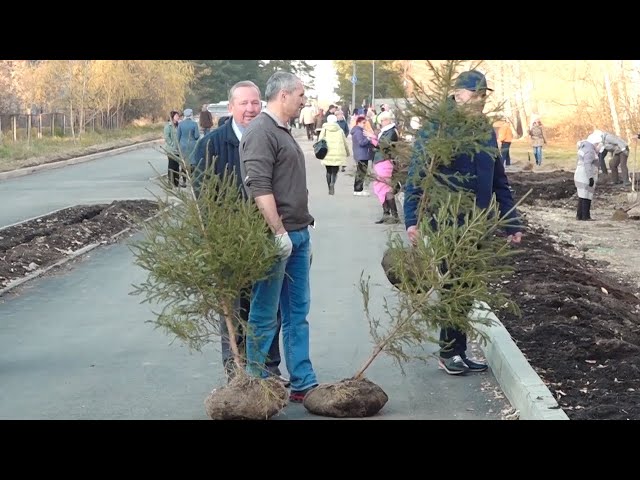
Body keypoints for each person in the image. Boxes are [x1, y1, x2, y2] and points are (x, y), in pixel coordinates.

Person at [403, 70, 523, 375]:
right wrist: (412, 219)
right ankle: (449, 353)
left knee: (467, 288)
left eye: (484, 94)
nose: (481, 100)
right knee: (453, 284)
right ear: (457, 93)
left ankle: (458, 350)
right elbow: (419, 175)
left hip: (477, 222)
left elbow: (499, 178)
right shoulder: (438, 128)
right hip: (445, 221)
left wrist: (511, 221)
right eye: (475, 93)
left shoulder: (484, 129)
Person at [192, 81, 286, 384]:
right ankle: (236, 370)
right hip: (229, 242)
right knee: (233, 308)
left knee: (269, 306)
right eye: (244, 103)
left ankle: (269, 369)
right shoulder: (212, 144)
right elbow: (202, 193)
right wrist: (214, 237)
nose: (250, 109)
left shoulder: (272, 137)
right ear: (230, 107)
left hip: (266, 238)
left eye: (255, 103)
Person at [240, 71, 319, 403]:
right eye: (301, 95)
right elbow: (258, 186)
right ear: (284, 96)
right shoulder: (260, 131)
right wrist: (279, 231)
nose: (304, 101)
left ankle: (303, 381)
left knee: (297, 312)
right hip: (275, 238)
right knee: (264, 311)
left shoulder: (282, 131)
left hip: (298, 235)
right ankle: (256, 382)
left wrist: (302, 227)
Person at [371, 111, 400, 223]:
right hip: (381, 160)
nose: (381, 123)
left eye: (383, 120)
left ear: (388, 120)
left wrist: (373, 138)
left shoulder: (391, 131)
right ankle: (387, 213)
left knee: (385, 187)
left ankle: (393, 215)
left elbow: (384, 145)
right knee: (380, 187)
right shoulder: (386, 131)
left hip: (385, 161)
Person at [317, 114, 350, 195]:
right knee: (335, 171)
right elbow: (345, 142)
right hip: (337, 153)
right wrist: (347, 152)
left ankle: (329, 186)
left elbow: (319, 140)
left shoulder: (324, 129)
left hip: (326, 153)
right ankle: (332, 183)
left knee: (328, 171)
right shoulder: (340, 130)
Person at [575, 133, 603, 221]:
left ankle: (579, 215)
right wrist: (590, 177)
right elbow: (587, 164)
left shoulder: (584, 147)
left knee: (582, 195)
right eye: (598, 144)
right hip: (585, 174)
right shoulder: (590, 151)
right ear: (595, 143)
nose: (599, 146)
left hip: (580, 173)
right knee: (586, 196)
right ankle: (585, 216)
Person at [350, 115, 375, 196]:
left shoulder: (359, 131)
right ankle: (358, 189)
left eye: (365, 123)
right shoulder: (358, 132)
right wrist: (368, 138)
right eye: (363, 123)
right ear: (358, 123)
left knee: (361, 172)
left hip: (362, 154)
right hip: (362, 154)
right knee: (361, 172)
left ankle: (358, 189)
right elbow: (361, 142)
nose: (365, 124)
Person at [176, 108, 200, 175]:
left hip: (183, 145)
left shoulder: (180, 124)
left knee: (184, 162)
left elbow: (178, 136)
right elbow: (196, 136)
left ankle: (184, 180)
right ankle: (192, 178)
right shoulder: (194, 124)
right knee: (192, 162)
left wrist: (177, 146)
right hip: (192, 145)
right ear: (191, 114)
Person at [163, 110, 181, 187]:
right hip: (171, 149)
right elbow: (167, 137)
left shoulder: (179, 125)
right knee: (171, 165)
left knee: (177, 166)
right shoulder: (168, 126)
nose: (178, 117)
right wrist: (172, 144)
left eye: (178, 116)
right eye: (176, 116)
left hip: (178, 150)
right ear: (172, 117)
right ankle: (170, 182)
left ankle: (176, 182)